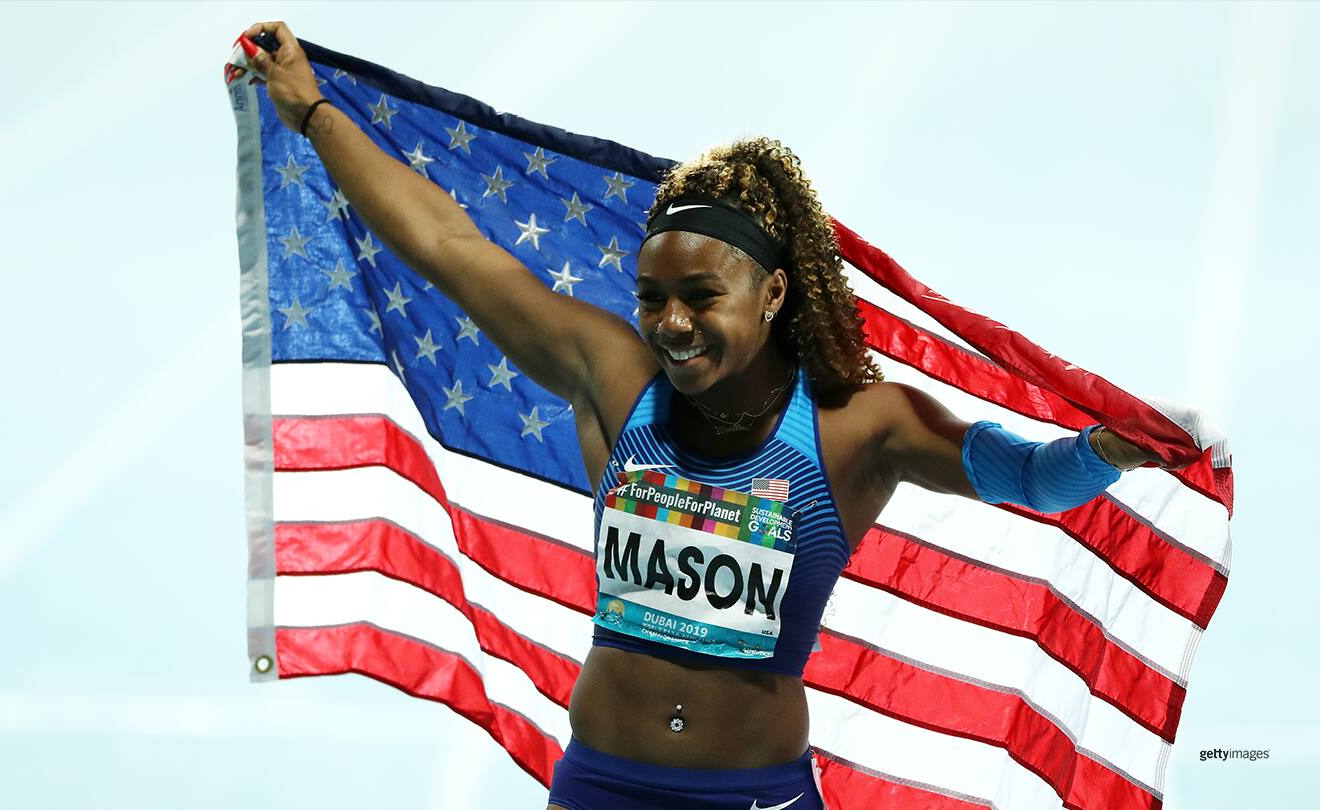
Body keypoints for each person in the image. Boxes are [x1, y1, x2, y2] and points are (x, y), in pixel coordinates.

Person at [240, 21, 1165, 810]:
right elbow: (449, 245)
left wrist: (1108, 450)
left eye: (698, 296)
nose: (671, 324)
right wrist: (316, 114)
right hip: (601, 785)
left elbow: (1035, 479)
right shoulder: (613, 374)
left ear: (772, 293)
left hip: (753, 796)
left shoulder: (856, 427)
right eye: (650, 297)